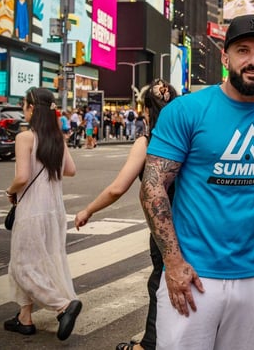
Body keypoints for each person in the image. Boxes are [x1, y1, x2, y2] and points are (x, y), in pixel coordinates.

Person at [140, 14, 254, 349]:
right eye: (243, 50)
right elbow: (152, 187)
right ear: (225, 56)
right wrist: (174, 262)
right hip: (192, 277)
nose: (253, 60)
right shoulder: (186, 110)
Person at [75, 80, 177, 350]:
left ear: (145, 111)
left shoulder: (148, 142)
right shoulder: (190, 138)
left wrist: (89, 209)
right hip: (197, 225)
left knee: (160, 281)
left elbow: (118, 188)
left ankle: (150, 344)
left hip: (164, 228)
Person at [4, 87, 81, 341]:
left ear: (30, 108)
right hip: (54, 212)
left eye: (24, 104)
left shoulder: (25, 138)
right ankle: (24, 318)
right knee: (36, 262)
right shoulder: (57, 137)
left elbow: (22, 177)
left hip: (32, 211)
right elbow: (70, 170)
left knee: (22, 265)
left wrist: (10, 190)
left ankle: (62, 305)